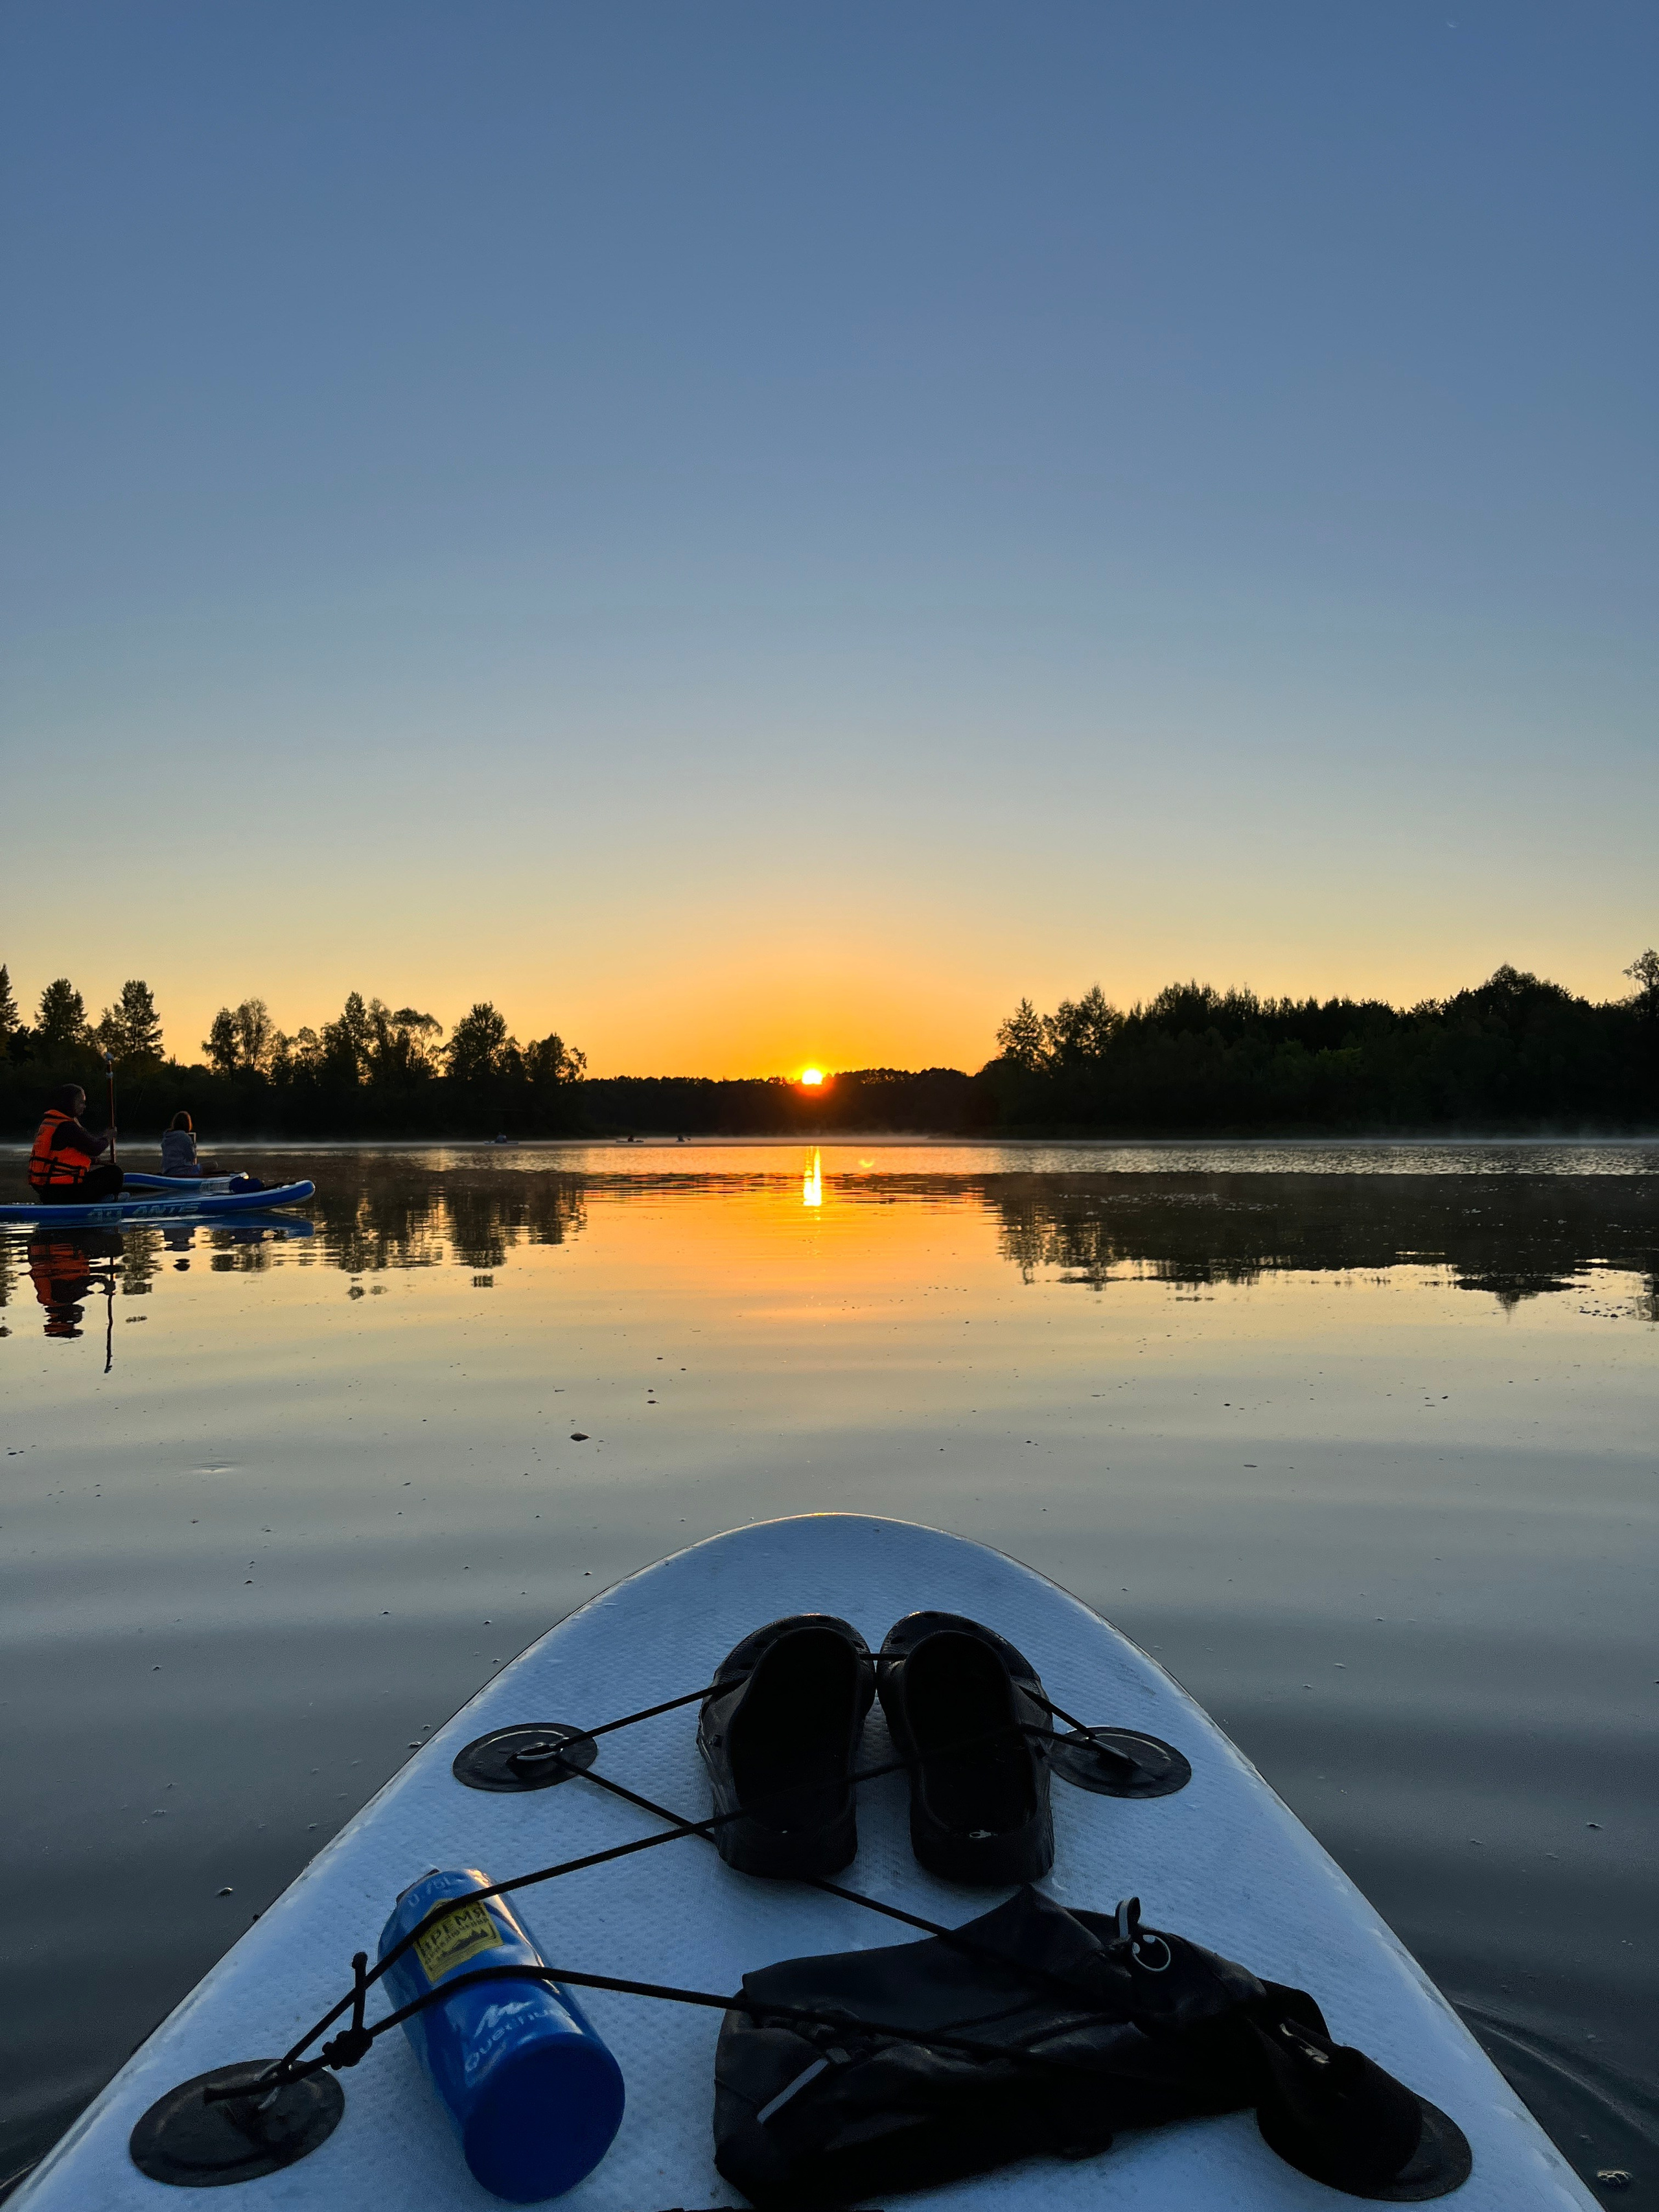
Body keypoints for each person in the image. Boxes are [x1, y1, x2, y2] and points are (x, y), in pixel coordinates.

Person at [27, 1084, 124, 1205]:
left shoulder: (53, 1123)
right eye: (80, 1103)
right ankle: (108, 1201)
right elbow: (94, 1148)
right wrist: (107, 1138)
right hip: (66, 1192)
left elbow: (66, 1156)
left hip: (50, 1192)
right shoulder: (67, 1127)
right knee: (115, 1173)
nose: (84, 1106)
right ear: (68, 1102)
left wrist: (98, 1162)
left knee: (107, 1171)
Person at [161, 1110, 203, 1178]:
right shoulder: (185, 1138)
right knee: (214, 1165)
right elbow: (192, 1157)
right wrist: (194, 1146)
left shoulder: (166, 1138)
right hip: (184, 1172)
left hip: (167, 1171)